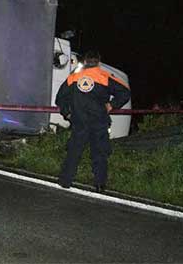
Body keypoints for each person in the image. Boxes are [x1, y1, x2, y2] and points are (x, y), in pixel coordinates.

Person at [55, 50, 131, 192]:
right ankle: (99, 184)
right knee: (100, 153)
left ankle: (65, 181)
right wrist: (112, 105)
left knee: (74, 151)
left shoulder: (74, 77)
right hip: (99, 122)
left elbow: (60, 98)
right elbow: (125, 92)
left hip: (79, 121)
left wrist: (68, 114)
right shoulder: (105, 76)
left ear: (84, 61)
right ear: (99, 62)